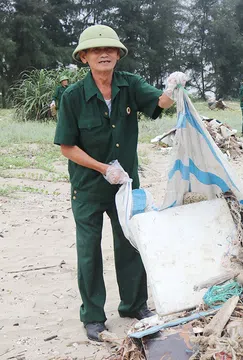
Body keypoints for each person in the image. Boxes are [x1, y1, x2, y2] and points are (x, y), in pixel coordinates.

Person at [53, 25, 186, 341]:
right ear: (84, 57)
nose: (104, 54)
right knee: (89, 251)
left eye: (110, 49)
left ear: (118, 55)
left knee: (130, 243)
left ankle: (134, 304)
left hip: (125, 185)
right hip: (87, 186)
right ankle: (93, 317)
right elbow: (66, 146)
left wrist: (173, 86)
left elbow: (161, 104)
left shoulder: (130, 86)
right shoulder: (73, 96)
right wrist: (101, 168)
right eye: (96, 50)